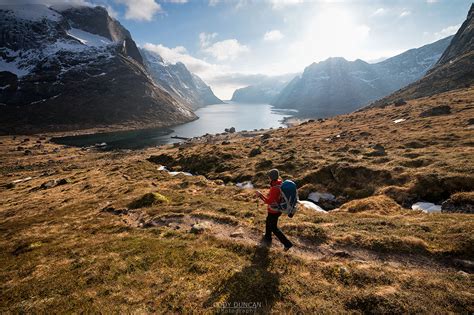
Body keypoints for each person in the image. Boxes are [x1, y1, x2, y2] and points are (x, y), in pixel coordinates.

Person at [256, 169, 293, 251]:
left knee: (274, 227)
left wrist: (260, 195)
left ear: (271, 177)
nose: (268, 177)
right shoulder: (280, 183)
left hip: (274, 210)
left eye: (269, 176)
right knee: (268, 220)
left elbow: (268, 201)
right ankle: (267, 236)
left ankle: (287, 244)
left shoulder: (275, 188)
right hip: (278, 209)